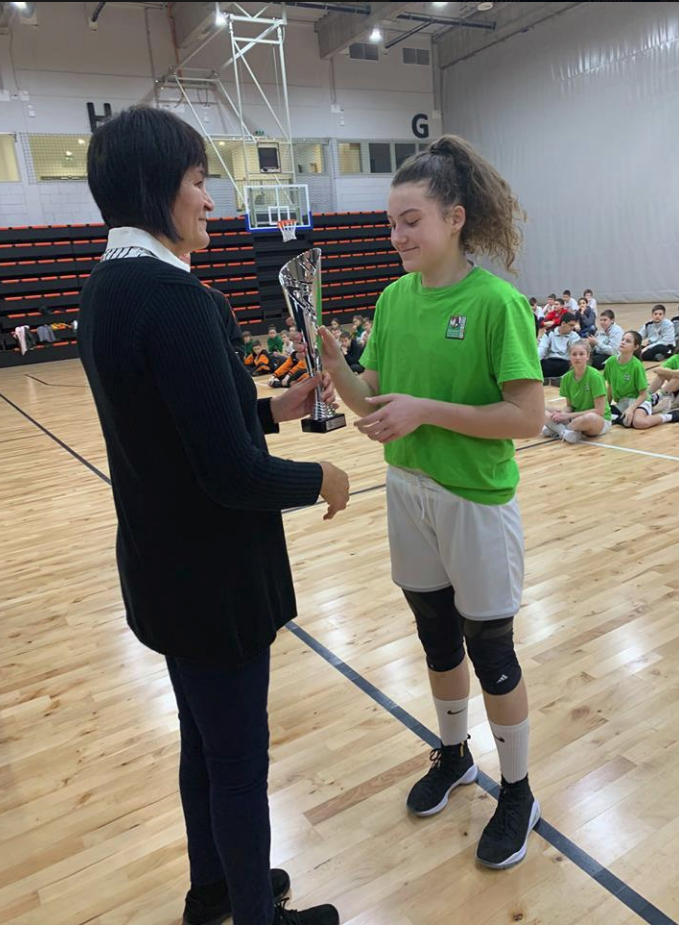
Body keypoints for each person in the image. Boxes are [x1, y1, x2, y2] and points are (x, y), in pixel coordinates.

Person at [79, 106, 346, 925]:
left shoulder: (105, 290)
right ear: (156, 187)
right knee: (235, 765)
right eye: (198, 181)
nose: (210, 200)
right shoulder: (176, 299)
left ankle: (215, 890)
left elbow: (173, 429)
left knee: (201, 744)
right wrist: (321, 475)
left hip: (161, 568)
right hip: (212, 579)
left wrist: (271, 409)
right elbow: (229, 473)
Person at [320, 134, 544, 870]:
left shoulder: (496, 303)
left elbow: (527, 417)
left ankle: (518, 792)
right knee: (436, 638)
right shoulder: (393, 299)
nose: (397, 236)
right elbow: (372, 399)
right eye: (391, 222)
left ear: (454, 218)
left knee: (491, 650)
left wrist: (425, 410)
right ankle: (454, 755)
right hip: (407, 489)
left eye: (410, 220)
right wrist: (336, 367)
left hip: (474, 500)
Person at [604, 331, 679, 428]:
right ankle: (621, 419)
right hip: (623, 401)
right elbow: (610, 386)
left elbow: (643, 395)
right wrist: (606, 406)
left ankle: (671, 416)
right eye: (623, 339)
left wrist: (631, 409)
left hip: (639, 400)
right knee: (600, 413)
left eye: (628, 341)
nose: (623, 342)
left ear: (635, 347)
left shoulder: (636, 366)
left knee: (639, 422)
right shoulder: (610, 362)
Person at [542, 340, 611, 443]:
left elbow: (599, 411)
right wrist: (562, 414)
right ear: (569, 356)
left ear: (587, 356)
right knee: (541, 408)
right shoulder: (566, 378)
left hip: (598, 420)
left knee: (588, 418)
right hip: (575, 417)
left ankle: (556, 429)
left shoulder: (595, 376)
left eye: (581, 354)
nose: (577, 357)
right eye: (574, 354)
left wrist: (567, 416)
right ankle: (564, 432)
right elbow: (570, 406)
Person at [537, 312, 580, 380]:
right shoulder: (549, 334)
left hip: (565, 362)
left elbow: (576, 351)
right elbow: (542, 349)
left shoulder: (574, 336)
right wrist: (535, 362)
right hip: (549, 361)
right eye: (571, 325)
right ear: (563, 323)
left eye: (573, 326)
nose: (573, 328)